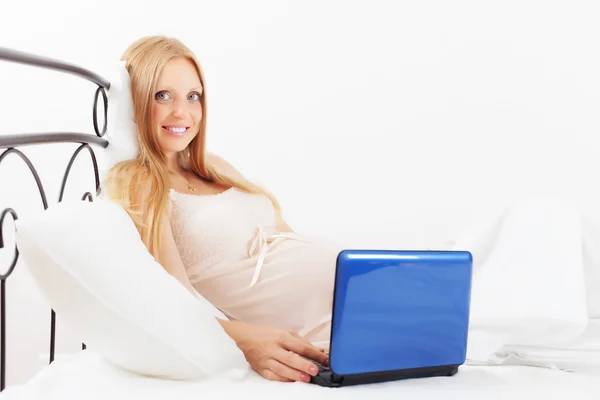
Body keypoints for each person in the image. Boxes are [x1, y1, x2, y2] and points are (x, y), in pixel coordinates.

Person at [104, 35, 342, 384]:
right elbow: (174, 303)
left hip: (351, 302)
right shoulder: (140, 184)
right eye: (162, 95)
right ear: (134, 101)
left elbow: (288, 242)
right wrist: (246, 340)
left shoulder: (213, 165)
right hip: (322, 333)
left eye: (193, 96)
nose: (181, 112)